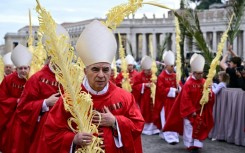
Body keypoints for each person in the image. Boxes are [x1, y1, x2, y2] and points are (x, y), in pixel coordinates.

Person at [44, 20, 144, 153]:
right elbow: (51, 132)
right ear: (85, 71)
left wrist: (115, 121)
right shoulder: (70, 100)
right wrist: (73, 139)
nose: (101, 75)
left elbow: (138, 125)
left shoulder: (124, 97)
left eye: (106, 70)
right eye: (95, 69)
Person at [4, 24, 69, 153]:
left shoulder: (71, 77)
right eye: (57, 56)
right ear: (50, 56)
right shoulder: (37, 79)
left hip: (67, 133)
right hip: (43, 134)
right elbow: (22, 108)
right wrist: (45, 103)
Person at [164, 54, 215, 153]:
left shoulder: (205, 82)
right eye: (198, 73)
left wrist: (209, 93)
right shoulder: (188, 84)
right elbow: (185, 99)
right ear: (194, 73)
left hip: (201, 110)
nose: (200, 75)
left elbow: (210, 95)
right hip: (191, 112)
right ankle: (190, 144)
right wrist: (191, 111)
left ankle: (197, 144)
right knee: (189, 128)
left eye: (202, 73)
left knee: (200, 127)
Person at [0, 44, 32, 152]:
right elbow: (2, 98)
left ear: (29, 68)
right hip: (11, 114)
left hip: (28, 114)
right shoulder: (8, 80)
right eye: (20, 68)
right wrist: (16, 101)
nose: (23, 70)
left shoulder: (32, 80)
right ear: (16, 69)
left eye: (25, 68)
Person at [153, 50, 180, 144]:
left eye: (173, 66)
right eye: (171, 66)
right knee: (167, 118)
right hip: (165, 102)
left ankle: (174, 134)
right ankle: (169, 136)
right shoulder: (161, 76)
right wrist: (173, 91)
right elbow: (161, 90)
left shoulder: (175, 75)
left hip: (174, 102)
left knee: (174, 118)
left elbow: (180, 85)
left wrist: (179, 88)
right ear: (166, 66)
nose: (173, 68)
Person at [132, 55, 160, 135]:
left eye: (150, 70)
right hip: (144, 98)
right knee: (146, 112)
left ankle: (154, 128)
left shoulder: (153, 76)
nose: (149, 72)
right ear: (143, 69)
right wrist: (144, 85)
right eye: (147, 70)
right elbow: (135, 87)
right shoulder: (138, 76)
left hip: (153, 98)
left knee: (153, 112)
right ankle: (146, 129)